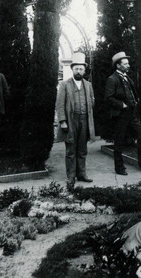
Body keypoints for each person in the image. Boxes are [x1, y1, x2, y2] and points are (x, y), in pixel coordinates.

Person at [56, 52, 95, 191]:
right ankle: (71, 176)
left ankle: (82, 174)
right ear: (72, 69)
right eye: (76, 68)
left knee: (82, 149)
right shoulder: (65, 85)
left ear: (84, 70)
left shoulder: (88, 85)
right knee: (71, 149)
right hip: (71, 120)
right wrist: (63, 121)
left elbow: (92, 102)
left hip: (84, 120)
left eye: (81, 69)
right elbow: (60, 104)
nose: (79, 71)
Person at [105, 51, 141, 176]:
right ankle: (119, 168)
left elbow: (133, 93)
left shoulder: (127, 78)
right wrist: (121, 105)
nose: (128, 65)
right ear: (118, 66)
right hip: (120, 115)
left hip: (131, 114)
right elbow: (108, 98)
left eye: (128, 63)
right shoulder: (112, 79)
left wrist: (136, 101)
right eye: (125, 64)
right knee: (119, 142)